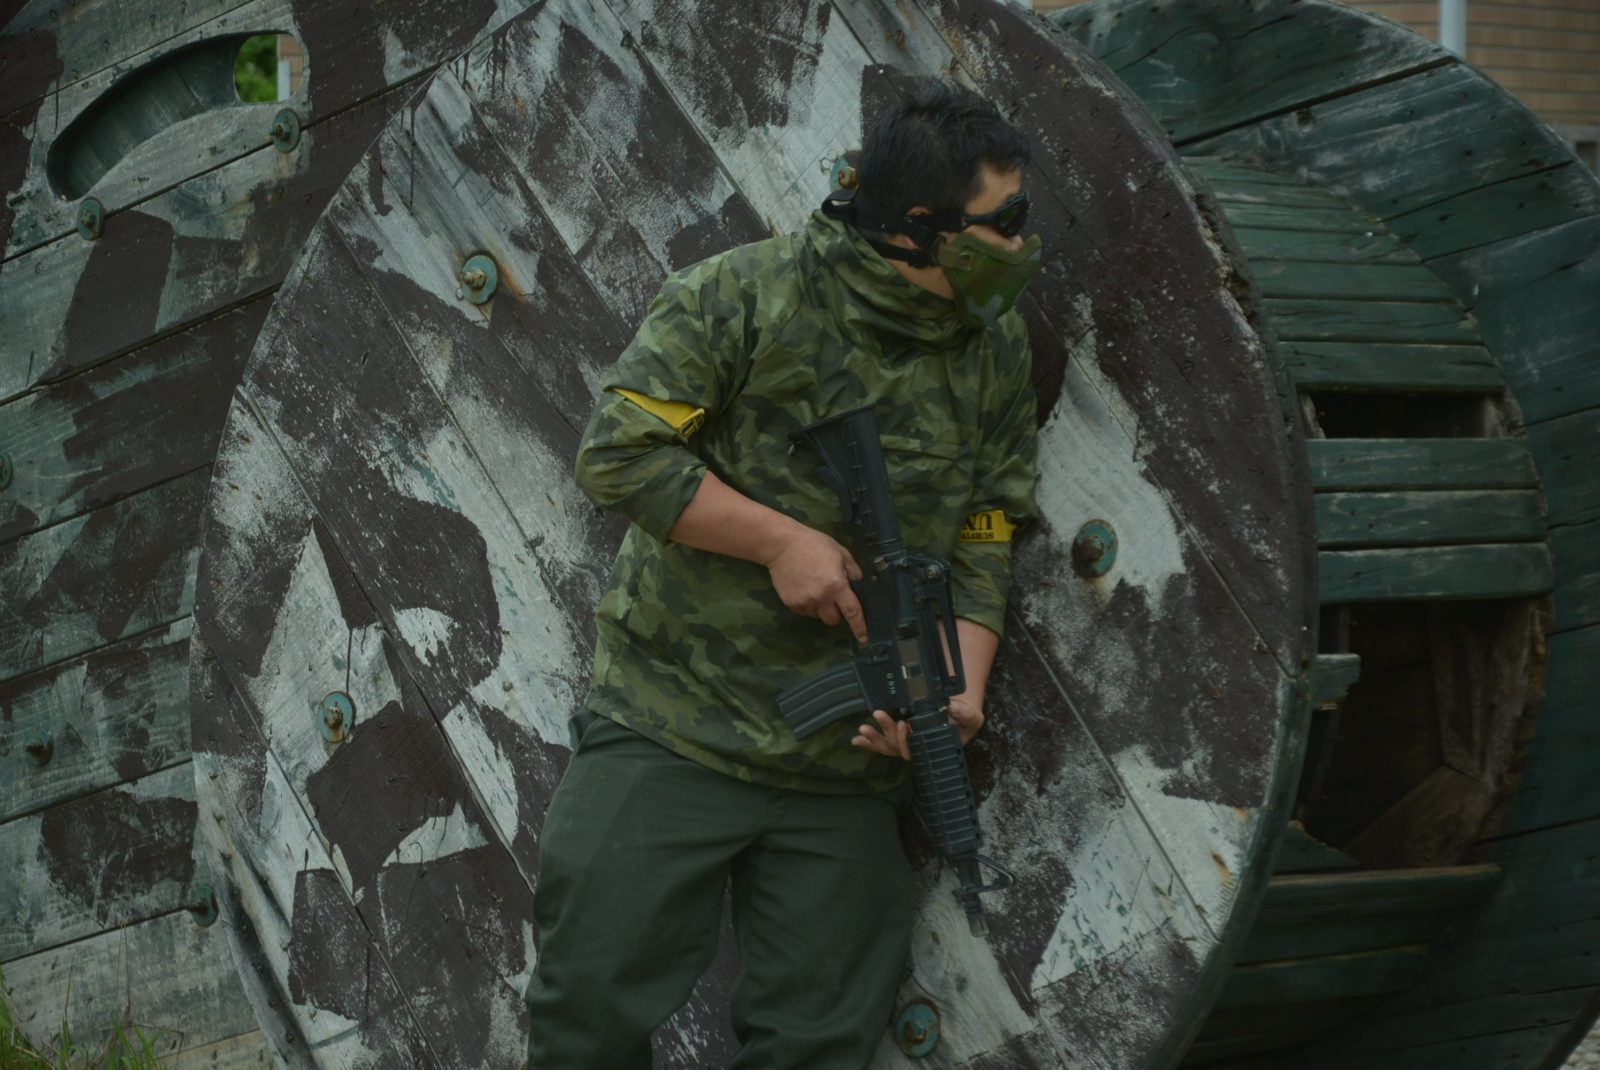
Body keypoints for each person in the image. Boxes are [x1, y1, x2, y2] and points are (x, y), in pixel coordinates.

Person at [524, 79, 1041, 1069]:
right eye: (1004, 222)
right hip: (674, 722)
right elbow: (619, 453)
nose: (1024, 244)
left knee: (817, 1044)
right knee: (585, 1010)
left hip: (845, 764)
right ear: (920, 229)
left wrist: (960, 683)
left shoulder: (994, 348)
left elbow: (987, 521)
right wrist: (778, 541)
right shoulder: (743, 296)